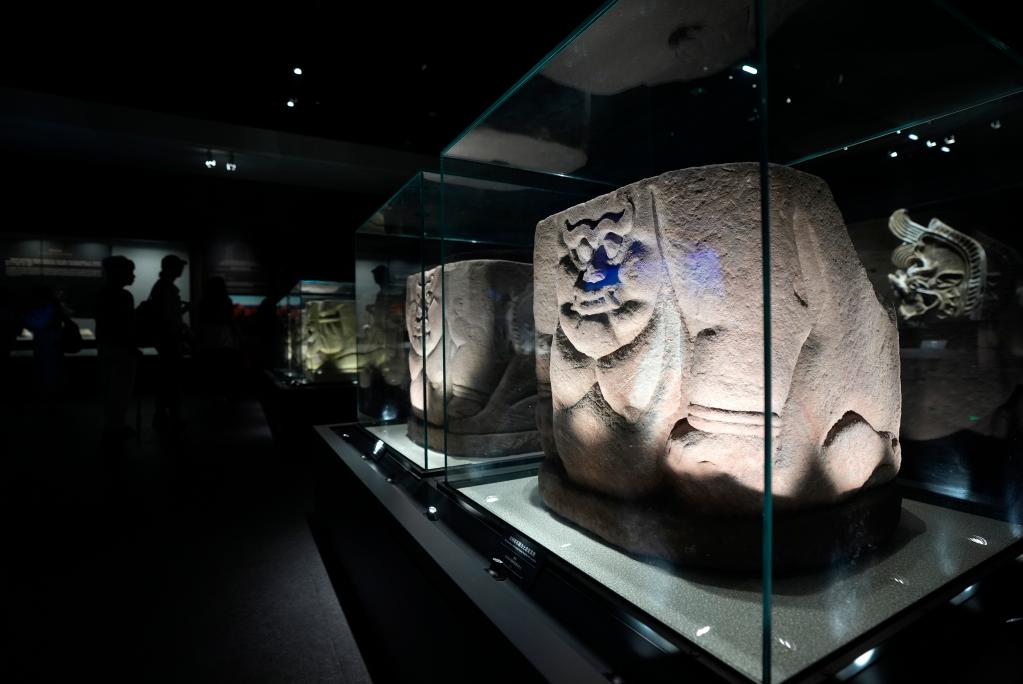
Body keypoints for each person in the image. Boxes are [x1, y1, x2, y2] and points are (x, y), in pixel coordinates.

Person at [96, 256, 138, 443]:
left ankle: (112, 425)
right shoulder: (124, 296)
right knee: (121, 389)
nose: (133, 276)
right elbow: (125, 326)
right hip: (122, 348)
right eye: (130, 272)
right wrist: (132, 346)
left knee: (110, 388)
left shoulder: (101, 294)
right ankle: (117, 426)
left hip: (105, 345)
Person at [149, 254, 189, 432]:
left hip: (166, 339)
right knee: (171, 379)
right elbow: (168, 317)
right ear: (170, 268)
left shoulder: (162, 287)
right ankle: (171, 414)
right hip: (169, 339)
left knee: (167, 378)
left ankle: (163, 414)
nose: (182, 269)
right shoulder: (166, 288)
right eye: (179, 266)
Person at [196, 276, 241, 400]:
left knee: (211, 374)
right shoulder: (226, 301)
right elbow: (232, 321)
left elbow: (200, 322)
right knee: (225, 373)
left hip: (208, 342)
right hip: (224, 341)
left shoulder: (204, 302)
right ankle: (224, 398)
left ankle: (213, 399)